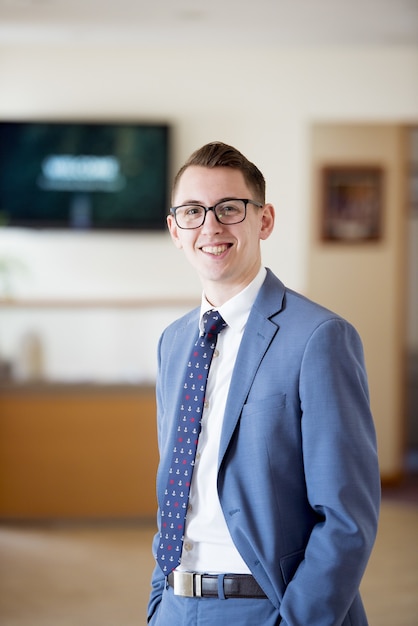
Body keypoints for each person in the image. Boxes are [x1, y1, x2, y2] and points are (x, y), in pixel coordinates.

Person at [147, 141, 380, 626]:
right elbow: (176, 489)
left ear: (264, 220)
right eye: (193, 211)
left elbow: (347, 517)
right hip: (174, 604)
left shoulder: (319, 338)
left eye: (229, 209)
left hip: (267, 607)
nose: (210, 226)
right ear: (175, 229)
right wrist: (157, 601)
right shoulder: (174, 343)